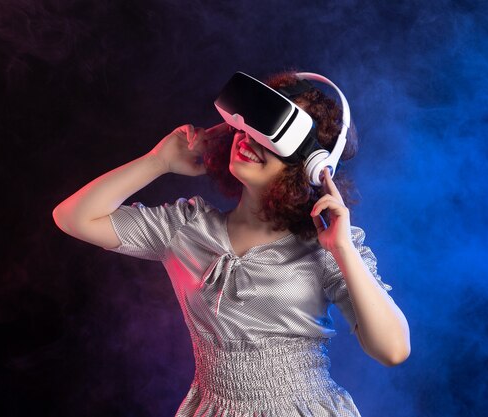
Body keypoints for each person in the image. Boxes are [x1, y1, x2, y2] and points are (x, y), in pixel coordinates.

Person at [52, 70, 410, 416]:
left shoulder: (325, 247)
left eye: (272, 138)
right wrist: (157, 161)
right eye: (250, 127)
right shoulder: (186, 228)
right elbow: (73, 218)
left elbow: (393, 350)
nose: (250, 140)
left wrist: (343, 250)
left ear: (312, 166)